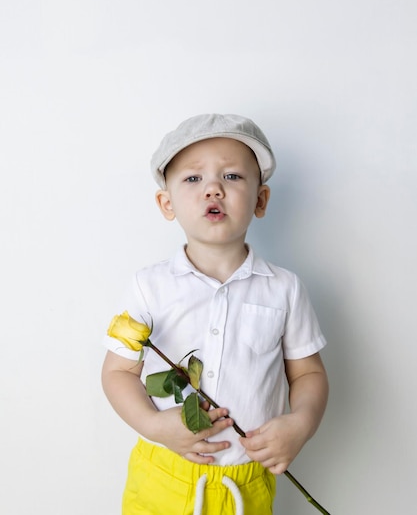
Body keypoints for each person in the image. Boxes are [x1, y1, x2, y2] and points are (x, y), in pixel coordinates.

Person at [102, 113, 329, 515]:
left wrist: (302, 424)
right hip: (162, 475)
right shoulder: (148, 286)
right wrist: (155, 426)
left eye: (232, 177)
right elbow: (118, 373)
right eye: (193, 179)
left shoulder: (284, 288)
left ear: (260, 200)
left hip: (246, 484)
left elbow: (308, 373)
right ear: (166, 204)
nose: (213, 189)